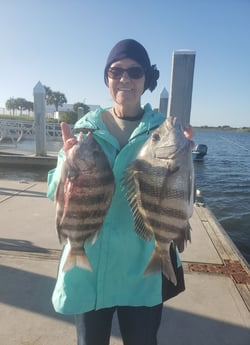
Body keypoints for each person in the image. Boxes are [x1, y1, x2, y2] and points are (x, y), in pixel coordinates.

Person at [47, 38, 193, 345]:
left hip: (140, 270)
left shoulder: (160, 131)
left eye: (134, 71)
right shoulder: (84, 131)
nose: (124, 78)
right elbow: (53, 192)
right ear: (107, 78)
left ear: (145, 80)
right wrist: (65, 164)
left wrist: (183, 161)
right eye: (116, 71)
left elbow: (179, 197)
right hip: (89, 267)